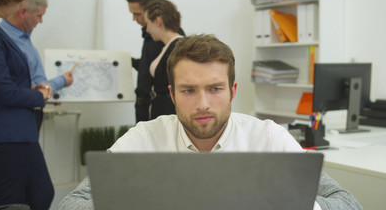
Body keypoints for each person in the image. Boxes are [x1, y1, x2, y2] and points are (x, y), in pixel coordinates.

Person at [56, 35, 362, 210]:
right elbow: (72, 204)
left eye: (215, 89)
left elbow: (347, 203)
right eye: (189, 90)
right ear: (172, 94)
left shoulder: (268, 138)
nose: (203, 103)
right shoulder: (144, 139)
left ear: (232, 91)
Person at [0, 0, 54, 209]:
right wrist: (38, 95)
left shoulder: (0, 34)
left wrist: (30, 89)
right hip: (8, 135)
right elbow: (4, 92)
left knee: (41, 194)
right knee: (11, 201)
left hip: (20, 133)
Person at [0, 0, 74, 131]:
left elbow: (33, 83)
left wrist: (45, 93)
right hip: (15, 121)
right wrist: (61, 82)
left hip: (28, 114)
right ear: (23, 12)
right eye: (39, 16)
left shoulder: (24, 39)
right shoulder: (7, 42)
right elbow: (14, 89)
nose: (40, 21)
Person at [126, 0, 184, 123]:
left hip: (162, 114)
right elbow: (148, 67)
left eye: (137, 14)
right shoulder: (154, 38)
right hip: (148, 109)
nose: (134, 19)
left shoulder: (175, 44)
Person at [144, 0, 182, 119]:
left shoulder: (177, 48)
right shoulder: (168, 46)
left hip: (169, 112)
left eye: (147, 23)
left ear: (157, 21)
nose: (147, 29)